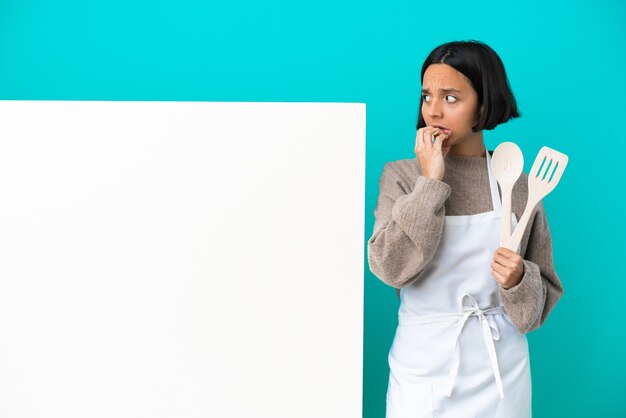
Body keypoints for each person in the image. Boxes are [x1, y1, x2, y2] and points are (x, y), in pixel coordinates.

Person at [367, 40, 564, 417]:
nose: (434, 112)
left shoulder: (521, 186)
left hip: (500, 375)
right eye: (427, 97)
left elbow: (534, 314)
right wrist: (431, 182)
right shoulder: (403, 177)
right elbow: (390, 268)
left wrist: (519, 279)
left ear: (484, 104)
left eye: (451, 98)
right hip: (422, 370)